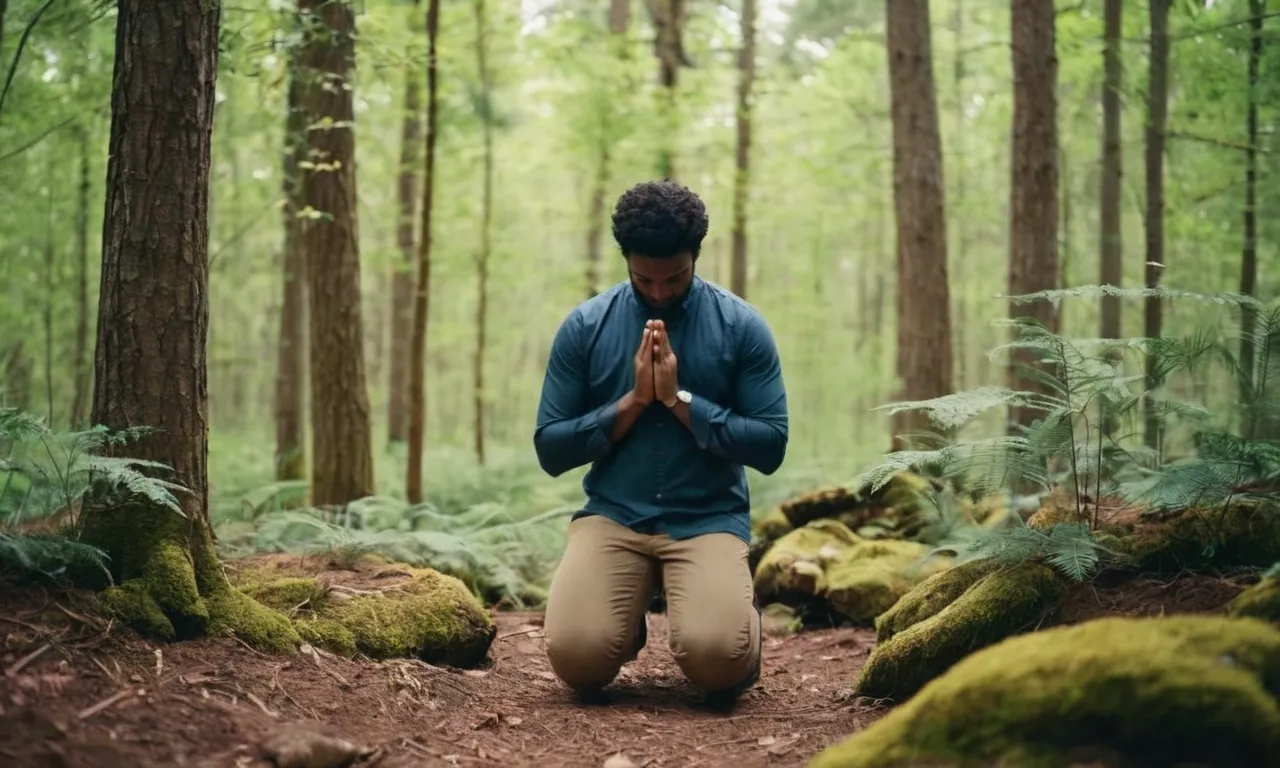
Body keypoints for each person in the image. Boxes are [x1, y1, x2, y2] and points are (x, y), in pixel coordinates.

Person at [532, 179, 789, 705]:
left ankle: (737, 621)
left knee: (718, 661)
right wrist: (632, 403)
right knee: (578, 659)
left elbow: (771, 444)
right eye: (643, 279)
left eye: (675, 278)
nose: (659, 292)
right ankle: (623, 622)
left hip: (708, 516)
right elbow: (551, 447)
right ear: (625, 258)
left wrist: (679, 400)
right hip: (613, 514)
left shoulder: (742, 327)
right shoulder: (585, 327)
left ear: (696, 255)